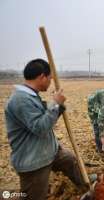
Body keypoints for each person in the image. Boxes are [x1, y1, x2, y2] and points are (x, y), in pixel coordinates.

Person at [4, 59, 88, 200]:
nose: (50, 82)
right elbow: (41, 127)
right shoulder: (21, 100)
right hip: (33, 160)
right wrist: (55, 103)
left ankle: (85, 182)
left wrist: (58, 107)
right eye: (50, 78)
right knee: (33, 196)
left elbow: (42, 117)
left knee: (69, 159)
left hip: (47, 151)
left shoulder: (31, 95)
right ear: (42, 77)